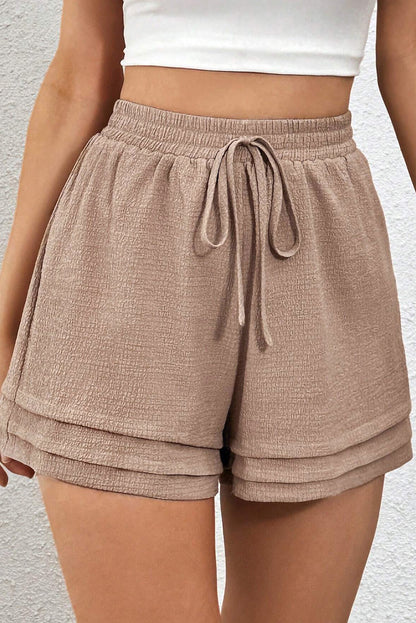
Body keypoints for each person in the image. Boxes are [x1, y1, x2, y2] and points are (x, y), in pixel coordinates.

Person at [0, 1, 414, 621]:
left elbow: (408, 58)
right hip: (134, 238)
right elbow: (81, 70)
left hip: (320, 239)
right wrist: (3, 327)